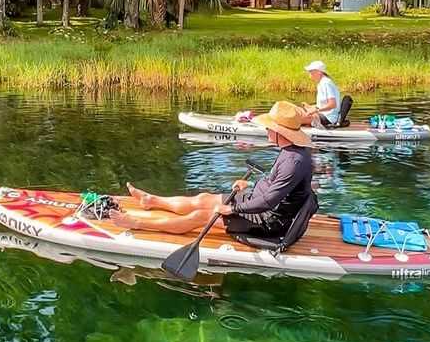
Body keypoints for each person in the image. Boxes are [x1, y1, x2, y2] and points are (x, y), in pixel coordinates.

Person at [112, 101, 314, 243]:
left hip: (267, 221)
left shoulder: (294, 161)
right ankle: (153, 201)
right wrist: (250, 185)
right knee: (203, 199)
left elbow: (269, 201)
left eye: (270, 128)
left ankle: (137, 223)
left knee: (200, 215)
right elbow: (277, 186)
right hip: (257, 201)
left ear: (280, 132)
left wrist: (233, 210)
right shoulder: (291, 151)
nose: (267, 131)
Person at [299, 59, 341, 128]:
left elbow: (332, 104)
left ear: (319, 72)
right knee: (298, 111)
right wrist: (311, 107)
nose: (309, 75)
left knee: (296, 118)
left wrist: (316, 110)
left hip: (329, 118)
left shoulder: (326, 83)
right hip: (323, 114)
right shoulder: (322, 83)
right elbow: (324, 104)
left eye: (311, 72)